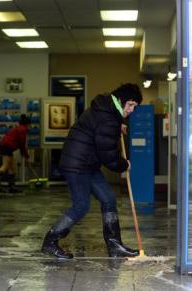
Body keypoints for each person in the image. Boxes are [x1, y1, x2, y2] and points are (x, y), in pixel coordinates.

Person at [41, 83, 143, 259]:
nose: (132, 110)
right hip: (77, 165)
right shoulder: (108, 117)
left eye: (135, 106)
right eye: (131, 104)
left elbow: (101, 130)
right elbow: (108, 155)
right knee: (81, 206)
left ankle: (114, 245)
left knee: (108, 199)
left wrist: (119, 125)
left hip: (88, 163)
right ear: (121, 100)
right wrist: (124, 164)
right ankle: (50, 241)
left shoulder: (107, 110)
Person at [0, 113, 30, 193]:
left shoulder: (19, 128)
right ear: (27, 124)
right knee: (5, 165)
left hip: (6, 146)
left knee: (12, 167)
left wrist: (24, 155)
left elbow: (21, 145)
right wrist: (26, 156)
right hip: (6, 146)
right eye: (30, 125)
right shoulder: (22, 130)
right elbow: (22, 144)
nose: (30, 126)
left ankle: (12, 187)